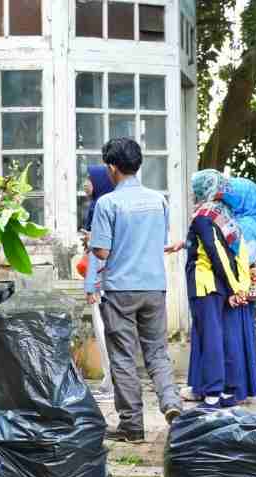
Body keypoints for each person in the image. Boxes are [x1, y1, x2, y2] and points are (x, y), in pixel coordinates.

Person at [87, 137, 182, 443]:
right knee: (157, 352)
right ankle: (171, 403)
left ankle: (132, 425)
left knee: (123, 358)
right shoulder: (159, 200)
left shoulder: (108, 203)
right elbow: (160, 241)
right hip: (155, 286)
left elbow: (101, 252)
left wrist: (90, 242)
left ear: (112, 167)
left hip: (120, 290)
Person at [184, 170, 251, 409]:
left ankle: (212, 393)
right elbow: (238, 252)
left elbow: (216, 253)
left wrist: (235, 288)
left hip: (206, 285)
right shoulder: (225, 215)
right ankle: (224, 391)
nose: (193, 192)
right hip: (222, 285)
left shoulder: (202, 216)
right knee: (221, 336)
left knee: (210, 338)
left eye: (196, 187)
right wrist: (240, 286)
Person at [216, 176, 256, 403]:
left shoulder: (248, 225)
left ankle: (236, 388)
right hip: (236, 288)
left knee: (234, 337)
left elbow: (249, 257)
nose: (229, 196)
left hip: (238, 290)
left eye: (234, 193)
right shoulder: (242, 220)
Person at [82, 164, 115, 402]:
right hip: (108, 277)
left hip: (103, 279)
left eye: (89, 179)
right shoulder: (101, 206)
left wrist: (91, 284)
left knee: (105, 332)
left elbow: (98, 251)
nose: (85, 184)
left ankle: (112, 385)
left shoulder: (101, 209)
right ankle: (109, 382)